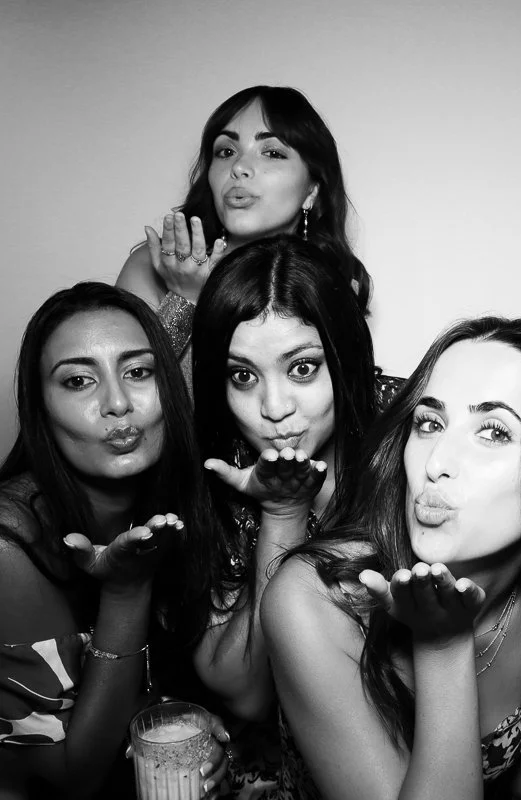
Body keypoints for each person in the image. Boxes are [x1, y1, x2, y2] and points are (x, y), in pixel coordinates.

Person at [261, 316, 521, 799]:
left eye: (492, 432)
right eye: (429, 424)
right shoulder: (314, 596)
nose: (435, 464)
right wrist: (442, 646)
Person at [0, 282, 228, 799]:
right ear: (41, 407)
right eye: (79, 381)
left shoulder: (176, 506)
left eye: (139, 372)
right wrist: (126, 591)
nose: (118, 403)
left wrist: (185, 726)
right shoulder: (9, 550)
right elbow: (71, 778)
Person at [189, 236, 381, 798]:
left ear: (345, 358)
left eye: (301, 368)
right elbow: (246, 691)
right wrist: (282, 511)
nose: (275, 409)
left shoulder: (411, 435)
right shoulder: (215, 476)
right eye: (243, 377)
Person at [116, 85, 371, 380]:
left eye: (272, 152)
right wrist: (185, 302)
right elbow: (128, 393)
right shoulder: (152, 266)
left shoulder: (335, 286)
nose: (239, 167)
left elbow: (341, 409)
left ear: (311, 191)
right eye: (226, 151)